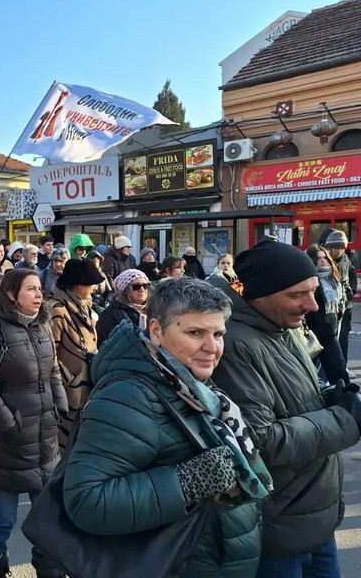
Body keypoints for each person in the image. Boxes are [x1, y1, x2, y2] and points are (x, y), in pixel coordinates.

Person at [63, 278, 269, 577]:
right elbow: (86, 501)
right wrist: (186, 482)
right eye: (195, 332)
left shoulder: (190, 383)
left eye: (219, 334)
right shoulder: (129, 397)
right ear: (157, 331)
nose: (212, 347)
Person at [210, 240, 361, 577]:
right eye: (297, 295)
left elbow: (294, 399)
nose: (312, 305)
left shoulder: (281, 326)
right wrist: (344, 417)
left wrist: (329, 396)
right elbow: (259, 440)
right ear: (260, 295)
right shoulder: (234, 344)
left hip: (312, 514)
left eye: (313, 291)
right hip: (281, 522)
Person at [0, 269, 68, 578]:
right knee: (2, 519)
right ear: (11, 294)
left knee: (49, 516)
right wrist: (8, 424)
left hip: (44, 438)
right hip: (3, 445)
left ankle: (49, 567)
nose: (40, 295)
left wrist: (59, 402)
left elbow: (53, 369)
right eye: (32, 290)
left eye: (40, 289)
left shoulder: (42, 325)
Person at [46, 258, 100, 449]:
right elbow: (48, 354)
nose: (95, 288)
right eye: (91, 284)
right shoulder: (56, 310)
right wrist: (68, 380)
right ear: (77, 286)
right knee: (64, 448)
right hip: (68, 394)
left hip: (85, 390)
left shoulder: (84, 305)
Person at [305, 245, 347, 385]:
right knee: (307, 376)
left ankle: (346, 399)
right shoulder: (308, 280)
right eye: (318, 258)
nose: (322, 261)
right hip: (310, 335)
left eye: (325, 257)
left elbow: (340, 300)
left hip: (329, 333)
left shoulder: (333, 278)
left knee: (339, 371)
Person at [322, 229, 356, 369]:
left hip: (346, 306)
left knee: (343, 339)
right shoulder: (324, 261)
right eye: (336, 247)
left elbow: (352, 275)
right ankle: (330, 369)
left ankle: (343, 367)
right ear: (329, 247)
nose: (339, 251)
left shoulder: (346, 259)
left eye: (342, 248)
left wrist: (351, 292)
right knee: (330, 340)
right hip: (331, 308)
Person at [96, 268, 149, 343]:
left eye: (145, 286)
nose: (142, 289)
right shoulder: (111, 314)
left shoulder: (155, 309)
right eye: (136, 287)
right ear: (125, 290)